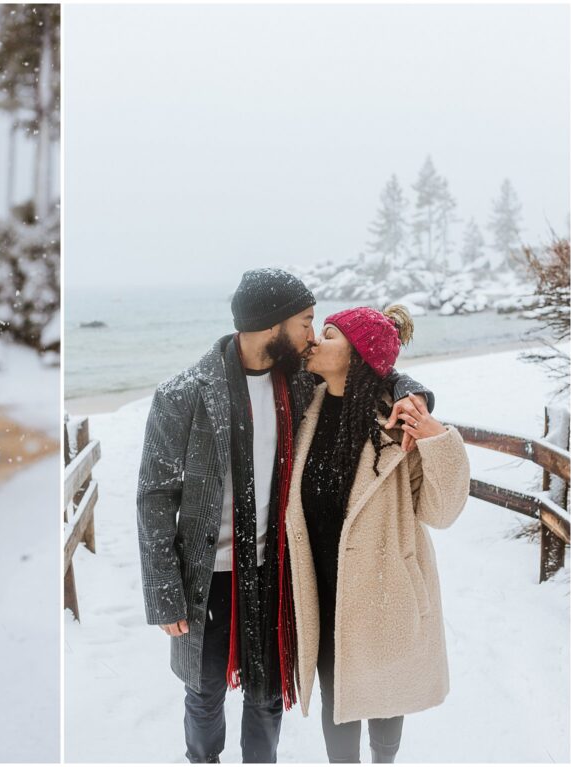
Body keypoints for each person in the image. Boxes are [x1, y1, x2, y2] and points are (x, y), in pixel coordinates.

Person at [136, 268, 435, 764]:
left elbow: (368, 370)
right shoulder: (183, 394)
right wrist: (163, 593)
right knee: (205, 693)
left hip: (277, 571)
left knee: (268, 695)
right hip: (207, 577)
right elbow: (154, 497)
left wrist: (414, 390)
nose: (312, 335)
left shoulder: (298, 384)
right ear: (270, 324)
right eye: (305, 321)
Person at [286, 305, 470, 763]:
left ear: (356, 354)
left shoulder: (395, 424)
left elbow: (441, 512)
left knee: (385, 695)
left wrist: (436, 437)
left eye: (327, 335)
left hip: (385, 588)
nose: (314, 341)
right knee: (336, 695)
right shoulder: (302, 405)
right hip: (322, 586)